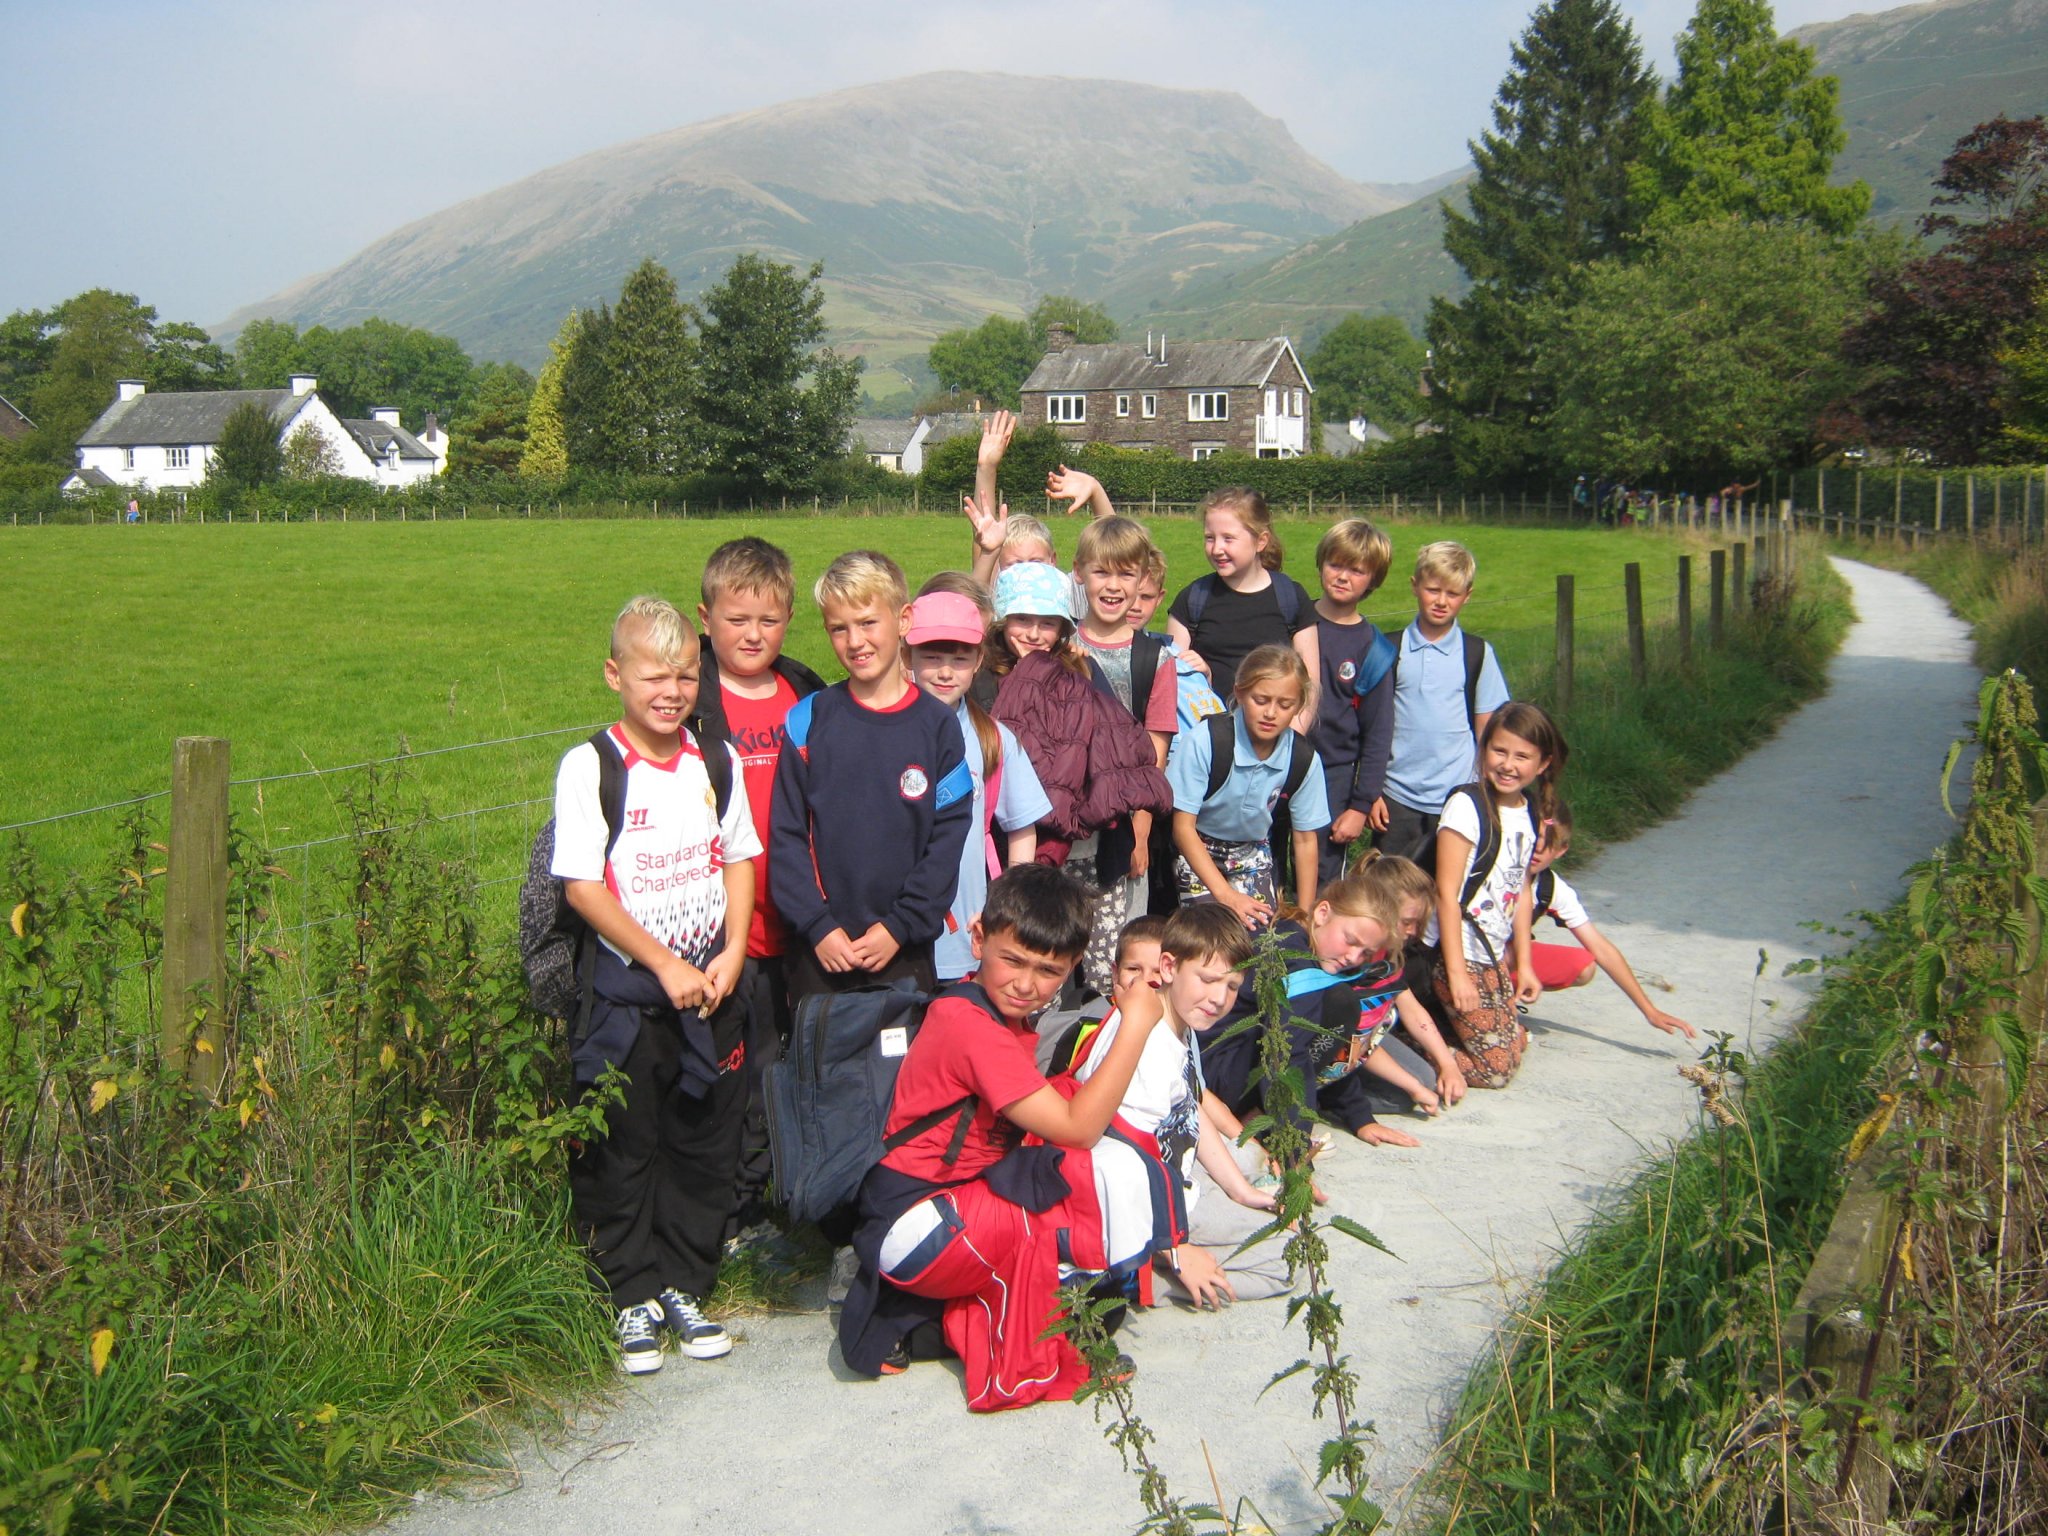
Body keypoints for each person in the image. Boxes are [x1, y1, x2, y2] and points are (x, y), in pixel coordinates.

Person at [838, 865, 1177, 1410]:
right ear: (977, 938)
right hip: (914, 1221)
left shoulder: (998, 1015)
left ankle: (932, 1321)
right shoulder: (971, 1026)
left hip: (942, 1209)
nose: (1026, 984)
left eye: (1048, 970)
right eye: (1012, 960)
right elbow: (1079, 1128)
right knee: (1048, 1203)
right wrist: (1135, 1023)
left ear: (1072, 967)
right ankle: (1029, 1364)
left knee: (1058, 1189)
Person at [550, 596, 760, 1375]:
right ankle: (630, 1293)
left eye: (684, 674)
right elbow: (583, 888)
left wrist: (732, 949)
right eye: (651, 676)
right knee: (625, 1146)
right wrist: (662, 964)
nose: (670, 691)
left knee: (701, 1142)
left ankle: (684, 1283)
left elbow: (738, 856)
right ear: (615, 676)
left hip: (711, 986)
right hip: (629, 999)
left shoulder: (715, 760)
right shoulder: (592, 767)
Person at [686, 537, 826, 1241]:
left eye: (768, 620)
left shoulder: (806, 690)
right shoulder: (690, 704)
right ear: (705, 619)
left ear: (788, 619)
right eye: (736, 619)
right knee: (728, 1072)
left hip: (800, 917)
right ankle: (727, 1215)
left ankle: (785, 1201)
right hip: (720, 928)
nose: (752, 634)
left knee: (794, 1064)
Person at [769, 551, 974, 1005]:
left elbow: (947, 842)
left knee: (900, 1075)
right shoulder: (807, 722)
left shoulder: (938, 727)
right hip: (822, 951)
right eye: (838, 628)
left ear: (903, 620)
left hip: (903, 948)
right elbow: (786, 836)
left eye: (867, 623)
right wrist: (817, 926)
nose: (855, 641)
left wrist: (900, 925)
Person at [1072, 904, 1291, 1305]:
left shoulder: (1180, 1018)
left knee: (1253, 1173)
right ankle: (1140, 1277)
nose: (1219, 998)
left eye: (1232, 986)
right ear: (1169, 967)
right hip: (1152, 1200)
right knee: (1286, 1261)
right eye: (1208, 980)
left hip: (1175, 1176)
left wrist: (1241, 1192)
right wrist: (1175, 1248)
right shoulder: (1147, 1043)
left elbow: (1191, 1114)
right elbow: (1130, 1155)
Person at [987, 561, 1172, 997]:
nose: (1034, 633)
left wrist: (1136, 831)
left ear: (1064, 627)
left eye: (1047, 623)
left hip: (1090, 847)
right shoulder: (985, 680)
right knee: (1027, 965)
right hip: (1015, 850)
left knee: (1105, 970)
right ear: (1002, 621)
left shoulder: (1083, 673)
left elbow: (1116, 748)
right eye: (1022, 620)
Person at [903, 589, 1053, 982]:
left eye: (959, 658)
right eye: (932, 657)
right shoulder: (884, 733)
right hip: (893, 928)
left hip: (966, 929)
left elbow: (1021, 827)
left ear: (978, 662)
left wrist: (1005, 907)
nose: (945, 671)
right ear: (908, 657)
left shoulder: (994, 738)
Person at [1198, 869, 1406, 1146]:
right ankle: (1254, 1121)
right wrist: (1294, 1151)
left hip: (1214, 1067)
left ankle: (1258, 1114)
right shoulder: (1294, 964)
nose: (1353, 957)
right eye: (1351, 940)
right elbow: (1287, 1058)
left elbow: (1325, 1045)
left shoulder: (1288, 934)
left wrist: (1359, 1116)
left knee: (1338, 1005)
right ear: (1322, 913)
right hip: (1214, 1077)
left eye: (1366, 953)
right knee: (1341, 1004)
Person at [1427, 702, 1567, 1090]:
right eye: (1499, 751)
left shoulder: (1532, 810)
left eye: (1522, 756)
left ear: (1542, 765)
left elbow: (1521, 890)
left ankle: (1450, 1036)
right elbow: (1447, 894)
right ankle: (1397, 1049)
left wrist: (1524, 962)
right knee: (1495, 1069)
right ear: (1483, 749)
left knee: (1514, 1045)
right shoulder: (1465, 807)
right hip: (1455, 953)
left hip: (1491, 955)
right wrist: (1457, 974)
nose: (1508, 764)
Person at [1071, 515, 1179, 951]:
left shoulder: (1155, 660)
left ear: (1142, 581)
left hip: (1120, 838)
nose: (1113, 586)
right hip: (1063, 836)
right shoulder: (1058, 646)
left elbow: (1154, 757)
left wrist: (1139, 833)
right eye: (1101, 572)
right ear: (1079, 572)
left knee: (1111, 962)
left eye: (1126, 574)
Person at [1166, 644, 1330, 924]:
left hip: (1252, 852)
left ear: (1299, 705)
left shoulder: (1303, 759)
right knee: (1211, 936)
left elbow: (1304, 840)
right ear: (1240, 693)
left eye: (1285, 704)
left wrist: (1305, 916)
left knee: (1261, 939)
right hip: (1197, 847)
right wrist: (1226, 895)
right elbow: (1182, 828)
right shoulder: (1206, 740)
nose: (1271, 713)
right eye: (1261, 700)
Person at [1315, 853, 1467, 1138]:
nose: (1412, 932)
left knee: (1427, 1079)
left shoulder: (1386, 955)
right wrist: (1412, 1086)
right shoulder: (1350, 961)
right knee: (1407, 1092)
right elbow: (1357, 1042)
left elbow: (1410, 1008)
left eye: (1418, 923)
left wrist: (1448, 1064)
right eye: (1407, 922)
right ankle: (1324, 1100)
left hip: (1362, 1046)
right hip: (1342, 1049)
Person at [1375, 541, 1510, 862]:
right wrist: (1370, 793)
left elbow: (1489, 731)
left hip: (1459, 797)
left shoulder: (1477, 654)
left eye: (1452, 594)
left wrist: (1491, 794)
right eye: (1433, 590)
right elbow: (1372, 729)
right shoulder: (1389, 650)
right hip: (1396, 798)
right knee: (1390, 894)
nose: (1441, 601)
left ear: (1467, 595)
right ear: (1415, 586)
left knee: (1450, 892)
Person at [1521, 803, 1697, 1041]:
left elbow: (1601, 948)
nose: (1538, 849)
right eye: (1533, 838)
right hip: (1470, 954)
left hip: (1507, 957)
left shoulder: (1550, 888)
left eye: (1549, 843)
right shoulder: (1491, 869)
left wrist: (1649, 1010)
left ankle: (1498, 999)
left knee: (1583, 966)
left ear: (1561, 850)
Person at [1165, 487, 1319, 711]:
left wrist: (1290, 740)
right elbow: (1174, 684)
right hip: (1209, 737)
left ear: (1261, 541)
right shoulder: (1192, 600)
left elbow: (1310, 686)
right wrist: (1205, 676)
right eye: (1210, 538)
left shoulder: (1292, 599)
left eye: (1228, 538)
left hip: (1277, 737)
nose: (1217, 548)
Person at [1309, 519, 1397, 885]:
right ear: (1321, 563)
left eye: (1356, 570)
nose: (1343, 576)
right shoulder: (1293, 624)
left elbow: (1378, 734)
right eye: (1335, 565)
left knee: (1325, 872)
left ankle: (1320, 941)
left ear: (1372, 579)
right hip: (1275, 762)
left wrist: (1361, 805)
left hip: (1334, 774)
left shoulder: (1373, 649)